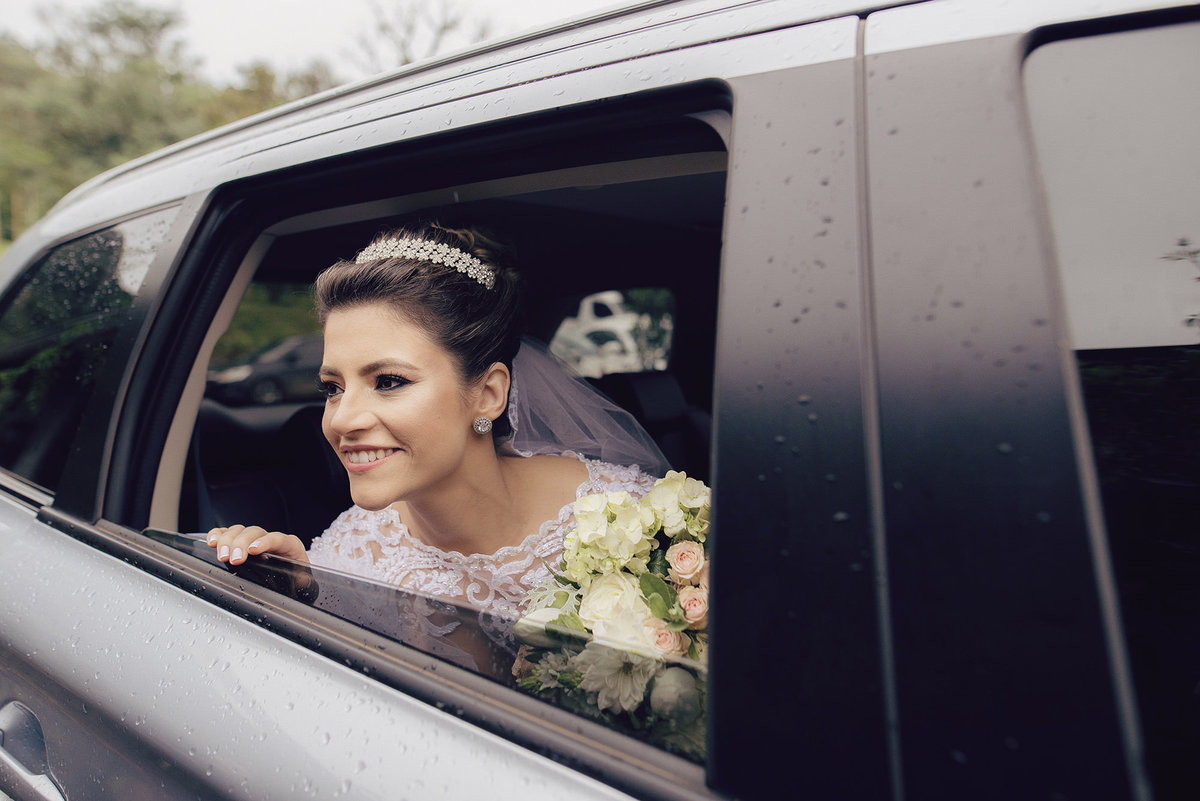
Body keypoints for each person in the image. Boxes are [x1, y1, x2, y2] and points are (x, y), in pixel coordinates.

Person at [206, 222, 669, 622]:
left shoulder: (632, 520)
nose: (341, 419)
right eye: (332, 387)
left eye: (388, 381)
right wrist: (301, 594)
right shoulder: (350, 556)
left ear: (488, 395)